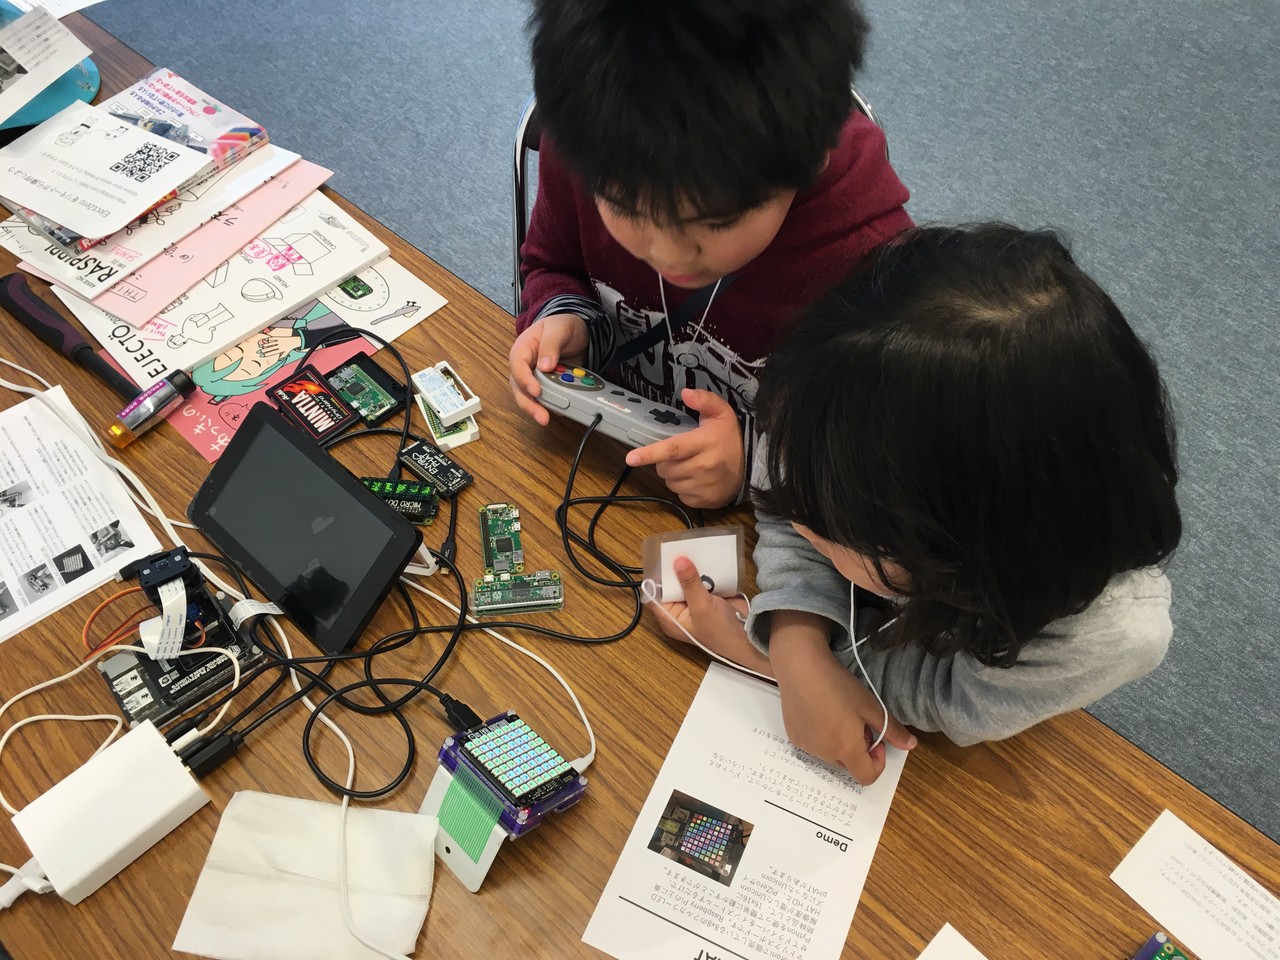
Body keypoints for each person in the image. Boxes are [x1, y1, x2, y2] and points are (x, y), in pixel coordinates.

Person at [656, 224, 1183, 784]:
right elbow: (786, 494)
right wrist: (794, 643)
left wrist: (756, 654)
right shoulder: (836, 408)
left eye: (829, 527)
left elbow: (948, 697)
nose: (798, 522)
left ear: (953, 552)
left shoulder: (1106, 634)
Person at [510, 0, 912, 509]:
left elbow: (873, 455)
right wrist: (565, 316)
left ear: (813, 158)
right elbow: (551, 263)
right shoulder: (593, 149)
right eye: (624, 207)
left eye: (717, 222)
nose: (669, 254)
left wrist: (753, 466)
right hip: (602, 461)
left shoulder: (873, 264)